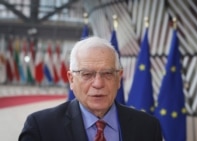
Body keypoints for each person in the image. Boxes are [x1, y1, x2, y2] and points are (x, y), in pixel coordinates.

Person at [18, 36, 162, 141]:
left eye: (107, 73)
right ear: (71, 79)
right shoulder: (41, 128)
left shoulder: (148, 127)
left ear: (119, 78)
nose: (98, 84)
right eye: (87, 74)